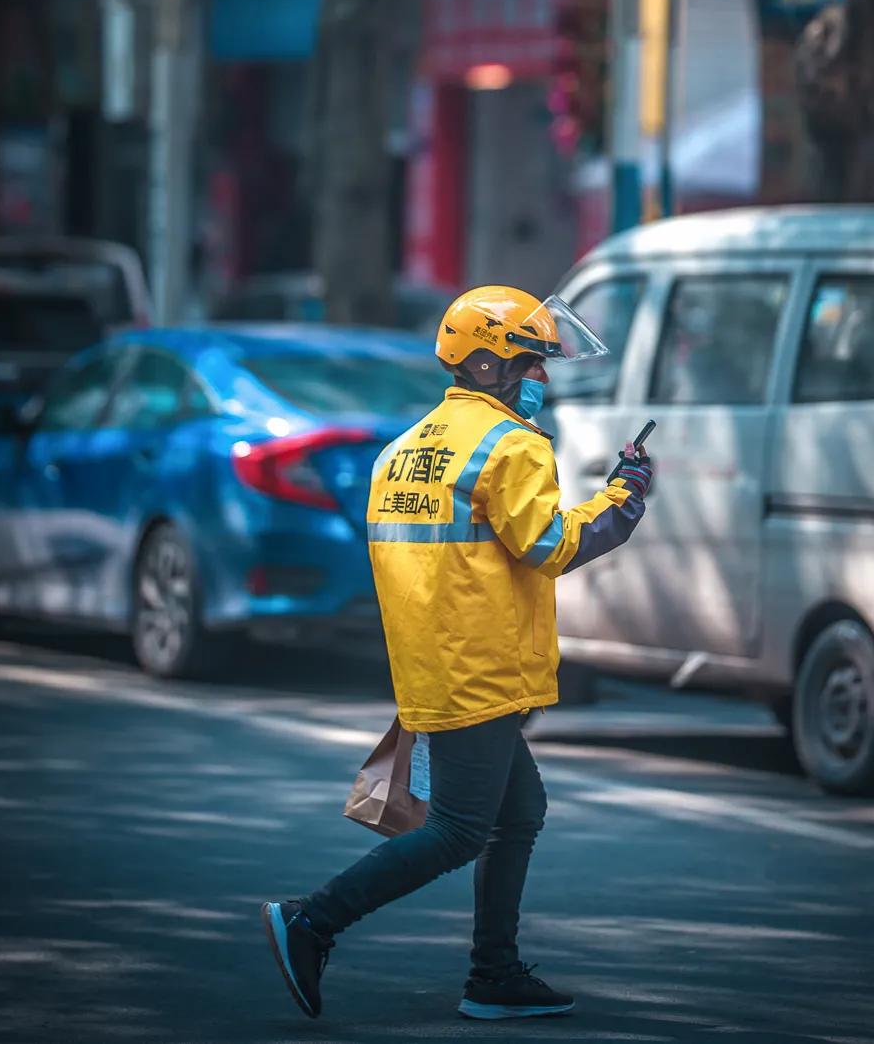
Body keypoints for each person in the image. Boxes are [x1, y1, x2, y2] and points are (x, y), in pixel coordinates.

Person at [261, 284, 653, 1022]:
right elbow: (553, 545)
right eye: (534, 363)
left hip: (435, 665)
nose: (543, 380)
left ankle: (493, 975)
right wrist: (623, 499)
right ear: (487, 366)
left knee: (520, 810)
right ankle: (311, 922)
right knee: (459, 832)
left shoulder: (403, 452)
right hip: (482, 670)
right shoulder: (511, 446)